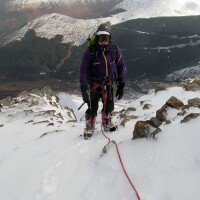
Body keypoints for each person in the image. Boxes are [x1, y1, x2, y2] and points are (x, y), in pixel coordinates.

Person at [80, 21, 126, 139]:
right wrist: (83, 88)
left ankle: (106, 122)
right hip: (93, 84)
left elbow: (121, 66)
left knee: (109, 105)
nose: (103, 41)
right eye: (101, 38)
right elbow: (83, 70)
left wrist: (121, 84)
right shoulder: (90, 52)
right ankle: (90, 126)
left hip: (108, 83)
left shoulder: (115, 51)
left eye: (106, 38)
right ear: (97, 37)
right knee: (92, 106)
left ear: (110, 38)